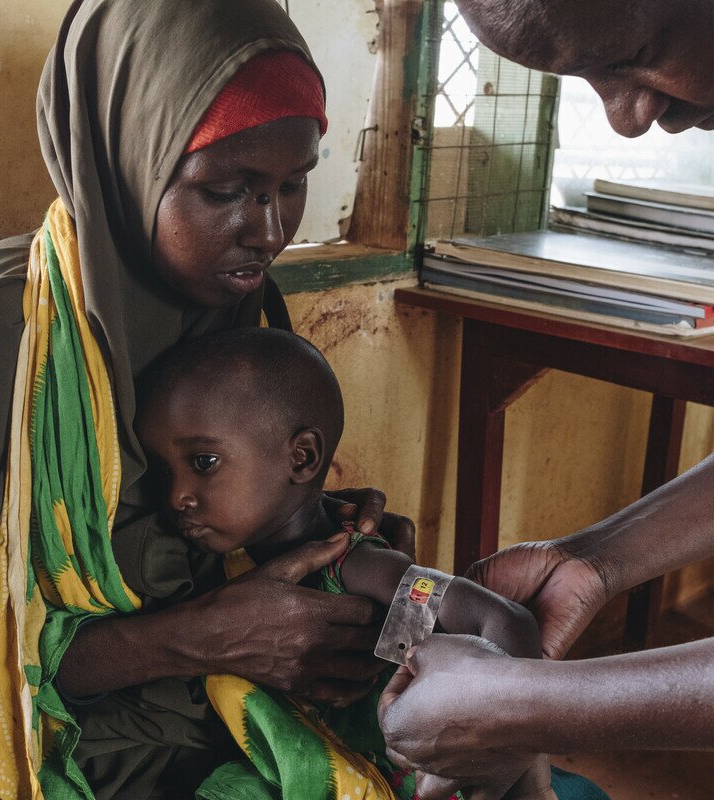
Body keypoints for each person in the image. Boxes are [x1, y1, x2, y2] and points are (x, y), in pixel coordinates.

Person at [0, 2, 417, 798]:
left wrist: (306, 523)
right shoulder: (2, 336)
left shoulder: (238, 310)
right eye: (228, 189)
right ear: (126, 155)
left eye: (293, 185)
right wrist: (199, 639)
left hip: (228, 713)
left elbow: (173, 530)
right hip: (72, 746)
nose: (269, 229)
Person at [378, 0, 714, 786]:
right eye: (588, 78)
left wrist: (541, 707)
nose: (624, 119)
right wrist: (595, 560)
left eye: (639, 52)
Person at [135, 327, 609, 800]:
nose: (176, 497)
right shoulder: (219, 564)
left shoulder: (357, 564)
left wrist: (526, 783)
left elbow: (505, 618)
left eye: (204, 462)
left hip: (409, 775)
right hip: (312, 764)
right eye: (164, 470)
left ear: (302, 457)